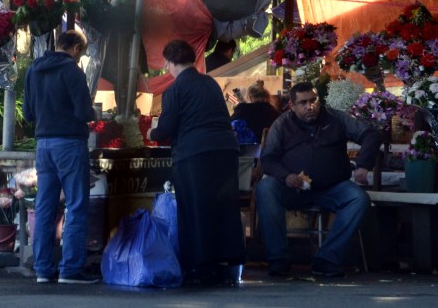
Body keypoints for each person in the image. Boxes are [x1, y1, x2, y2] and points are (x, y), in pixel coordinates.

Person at [255, 80, 380, 278]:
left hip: (332, 187)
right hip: (293, 187)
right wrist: (285, 176)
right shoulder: (282, 123)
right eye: (303, 103)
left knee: (359, 199)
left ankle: (327, 259)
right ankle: (278, 258)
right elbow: (268, 158)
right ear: (292, 106)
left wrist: (363, 165)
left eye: (313, 100)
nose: (309, 106)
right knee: (265, 188)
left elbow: (370, 134)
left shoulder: (336, 118)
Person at [150, 39, 245, 285]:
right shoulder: (210, 83)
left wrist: (151, 133)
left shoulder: (175, 89)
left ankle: (201, 267)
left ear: (169, 63)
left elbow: (167, 127)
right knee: (223, 208)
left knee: (196, 208)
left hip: (195, 153)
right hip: (224, 150)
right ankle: (225, 263)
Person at [23, 29, 98, 284]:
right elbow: (83, 111)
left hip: (43, 144)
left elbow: (28, 114)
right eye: (82, 54)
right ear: (76, 48)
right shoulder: (72, 71)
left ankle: (43, 269)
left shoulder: (33, 69)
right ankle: (71, 270)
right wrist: (95, 116)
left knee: (45, 206)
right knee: (76, 205)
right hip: (69, 143)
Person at [231, 80, 281, 144]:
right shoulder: (276, 113)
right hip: (272, 150)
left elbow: (228, 125)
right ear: (266, 96)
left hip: (248, 151)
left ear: (249, 97)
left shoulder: (242, 109)